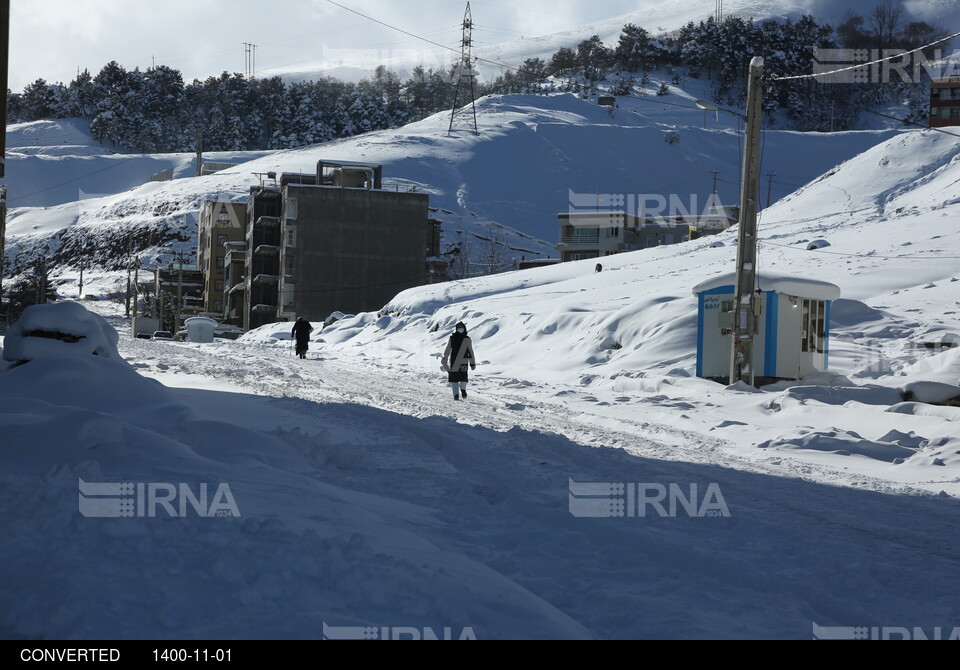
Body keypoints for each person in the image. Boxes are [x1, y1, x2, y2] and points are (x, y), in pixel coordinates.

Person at [441, 321, 477, 401]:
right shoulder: (452, 338)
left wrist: (472, 363)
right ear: (456, 329)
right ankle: (456, 395)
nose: (460, 329)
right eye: (459, 328)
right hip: (454, 360)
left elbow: (470, 351)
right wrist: (445, 358)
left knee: (463, 377)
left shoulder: (467, 339)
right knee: (454, 378)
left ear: (464, 329)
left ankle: (463, 389)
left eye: (462, 327)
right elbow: (448, 349)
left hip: (464, 360)